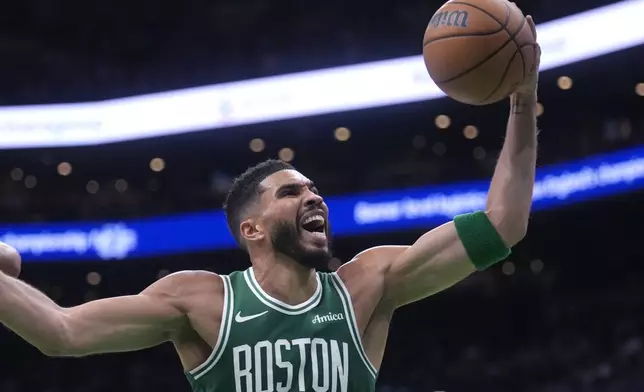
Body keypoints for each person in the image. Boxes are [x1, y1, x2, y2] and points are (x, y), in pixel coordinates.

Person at [0, 19, 540, 392]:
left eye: (313, 190)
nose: (314, 196)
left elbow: (502, 224)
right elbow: (62, 333)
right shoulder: (199, 301)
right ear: (252, 229)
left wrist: (522, 98)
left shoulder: (367, 284)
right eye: (292, 192)